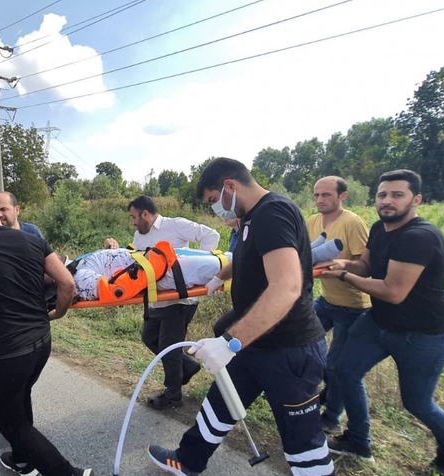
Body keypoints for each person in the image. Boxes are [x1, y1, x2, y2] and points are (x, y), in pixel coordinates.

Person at [148, 158, 334, 476]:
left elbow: (287, 286)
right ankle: (188, 460)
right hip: (256, 344)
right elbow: (250, 254)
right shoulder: (251, 217)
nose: (215, 210)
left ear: (230, 187)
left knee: (302, 442)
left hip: (288, 349)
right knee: (221, 402)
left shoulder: (273, 213)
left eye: (212, 201)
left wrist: (231, 342)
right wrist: (221, 275)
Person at [319, 169, 444, 475]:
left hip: (422, 336)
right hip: (378, 322)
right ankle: (359, 441)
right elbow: (365, 265)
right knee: (343, 372)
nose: (387, 201)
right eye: (382, 194)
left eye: (397, 195)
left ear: (416, 200)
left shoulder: (420, 238)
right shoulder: (379, 227)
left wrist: (344, 276)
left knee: (417, 403)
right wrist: (345, 264)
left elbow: (393, 291)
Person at [0, 187, 92, 476]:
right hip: (42, 340)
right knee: (20, 392)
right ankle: (23, 460)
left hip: (7, 349)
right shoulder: (32, 241)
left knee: (9, 419)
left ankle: (68, 473)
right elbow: (67, 283)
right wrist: (57, 312)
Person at [109, 196, 220, 409]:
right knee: (149, 338)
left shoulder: (175, 225)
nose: (133, 221)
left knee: (168, 347)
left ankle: (173, 395)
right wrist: (115, 250)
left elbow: (211, 235)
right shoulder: (138, 237)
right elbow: (133, 261)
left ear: (145, 214)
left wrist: (198, 265)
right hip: (155, 300)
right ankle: (186, 366)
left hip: (179, 300)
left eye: (134, 216)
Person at [306, 176, 371, 436]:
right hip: (327, 300)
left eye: (327, 195)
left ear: (342, 196)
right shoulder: (312, 221)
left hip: (354, 306)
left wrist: (341, 266)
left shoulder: (353, 223)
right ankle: (316, 393)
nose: (320, 200)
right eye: (317, 195)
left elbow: (365, 267)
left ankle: (332, 417)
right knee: (300, 340)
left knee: (337, 366)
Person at [70, 246, 232, 301]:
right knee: (227, 264)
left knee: (225, 258)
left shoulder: (79, 264)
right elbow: (114, 291)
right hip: (163, 272)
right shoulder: (79, 277)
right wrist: (218, 279)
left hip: (158, 258)